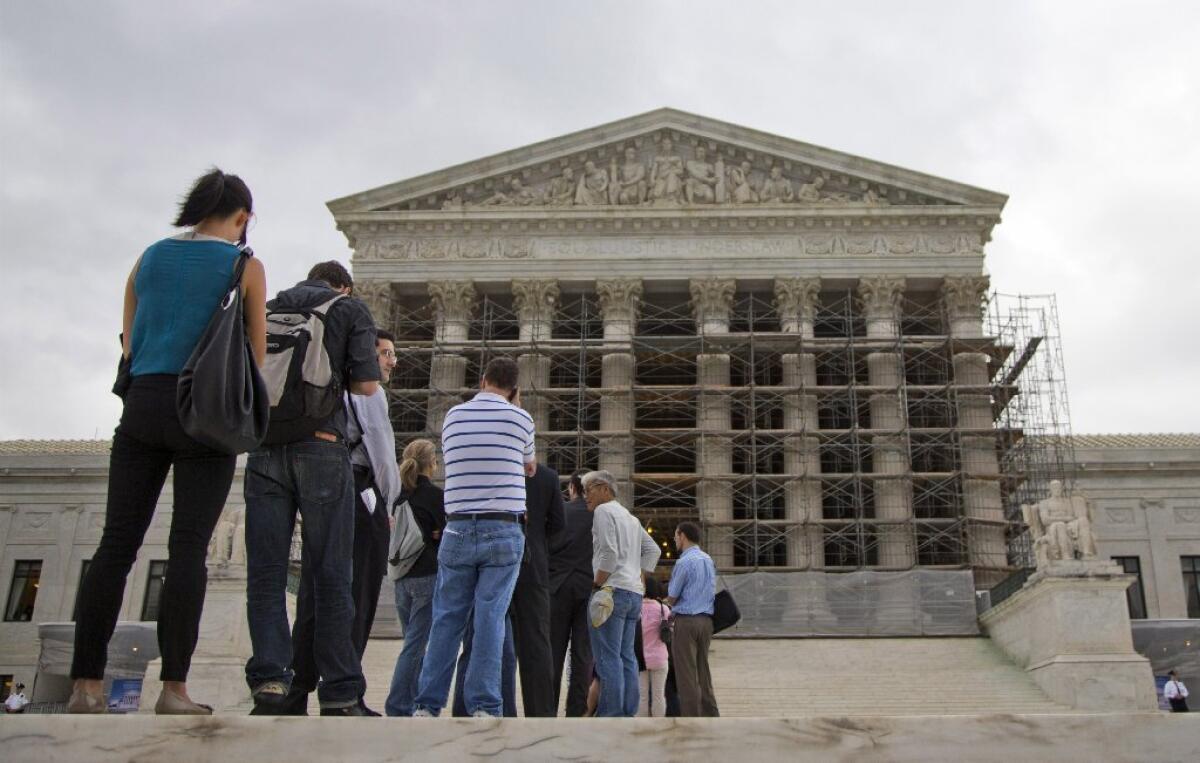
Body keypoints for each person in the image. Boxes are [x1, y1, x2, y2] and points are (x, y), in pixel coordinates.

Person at [69, 169, 266, 715]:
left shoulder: (148, 257)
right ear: (242, 216)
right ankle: (174, 688)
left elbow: (129, 340)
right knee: (188, 552)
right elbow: (254, 354)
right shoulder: (243, 265)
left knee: (115, 548)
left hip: (143, 405)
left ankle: (85, 685)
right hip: (203, 411)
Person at [244, 261, 380, 717]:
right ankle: (340, 691)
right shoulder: (348, 308)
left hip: (263, 449)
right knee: (331, 573)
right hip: (321, 447)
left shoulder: (269, 307)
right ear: (343, 285)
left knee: (266, 572)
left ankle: (269, 680)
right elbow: (365, 385)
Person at [412, 357, 535, 718]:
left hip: (458, 526)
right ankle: (484, 706)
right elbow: (529, 467)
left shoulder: (453, 416)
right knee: (490, 618)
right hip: (503, 527)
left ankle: (427, 705)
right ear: (514, 389)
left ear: (482, 381)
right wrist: (515, 411)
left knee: (447, 618)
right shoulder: (521, 418)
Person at [286, 328, 400, 714]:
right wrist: (390, 501)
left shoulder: (330, 383)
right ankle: (344, 694)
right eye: (385, 353)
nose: (391, 361)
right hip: (358, 490)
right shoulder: (369, 392)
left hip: (322, 486)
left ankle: (295, 690)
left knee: (314, 595)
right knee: (358, 594)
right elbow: (382, 454)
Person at [583, 470, 660, 717]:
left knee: (607, 657)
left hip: (610, 591)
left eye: (589, 489)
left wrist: (596, 585)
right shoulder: (630, 517)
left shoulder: (603, 512)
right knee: (627, 655)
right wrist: (640, 576)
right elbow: (653, 551)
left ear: (605, 488)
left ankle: (611, 715)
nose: (586, 496)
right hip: (632, 593)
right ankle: (627, 712)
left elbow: (608, 553)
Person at [384, 439, 446, 716]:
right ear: (432, 463)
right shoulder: (435, 496)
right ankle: (399, 704)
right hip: (427, 575)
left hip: (400, 575)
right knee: (416, 645)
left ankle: (411, 701)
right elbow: (446, 534)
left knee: (413, 641)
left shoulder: (397, 494)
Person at [508, 462, 565, 716]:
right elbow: (557, 523)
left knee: (494, 639)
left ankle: (497, 709)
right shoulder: (548, 476)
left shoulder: (499, 468)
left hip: (496, 564)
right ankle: (541, 712)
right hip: (534, 565)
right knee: (537, 642)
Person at [548, 471, 595, 716]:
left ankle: (547, 709)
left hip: (557, 588)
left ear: (573, 489)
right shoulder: (598, 515)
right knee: (582, 655)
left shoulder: (561, 512)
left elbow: (546, 548)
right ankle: (576, 711)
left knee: (553, 653)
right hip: (589, 588)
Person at [666, 520, 719, 717]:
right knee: (703, 670)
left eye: (675, 535)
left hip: (686, 620)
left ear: (683, 536)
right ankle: (711, 713)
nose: (674, 539)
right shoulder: (708, 559)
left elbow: (672, 594)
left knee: (686, 673)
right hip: (706, 621)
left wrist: (666, 600)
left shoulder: (684, 561)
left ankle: (691, 717)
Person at [638, 577, 671, 717]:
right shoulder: (664, 609)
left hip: (640, 658)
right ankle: (659, 725)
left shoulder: (636, 608)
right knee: (659, 695)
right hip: (659, 658)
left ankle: (641, 726)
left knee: (642, 696)